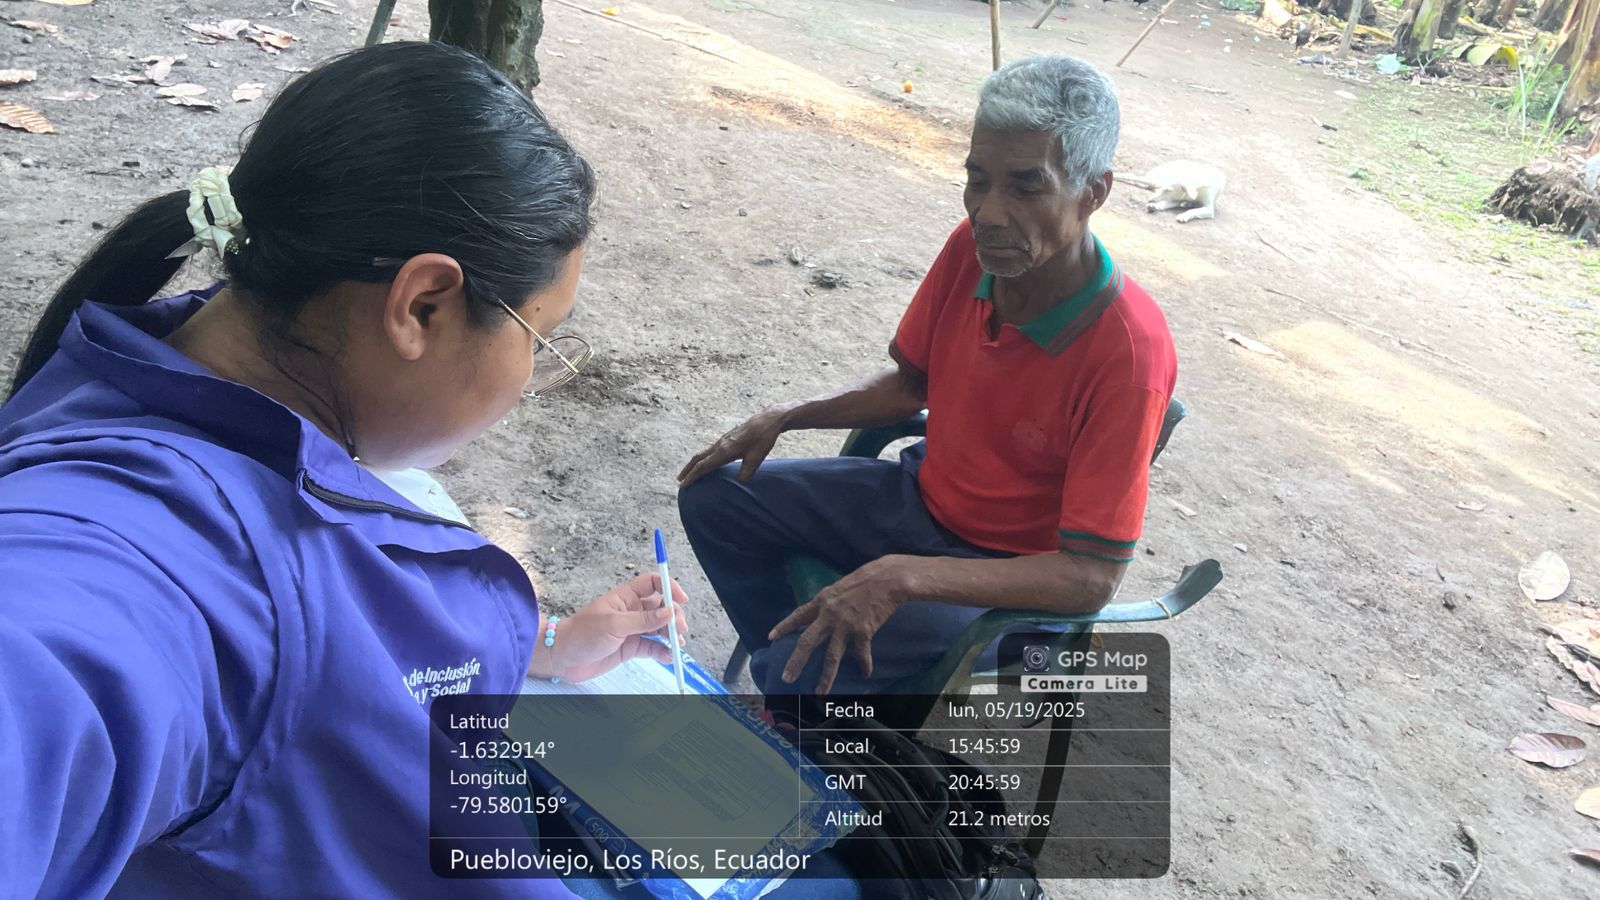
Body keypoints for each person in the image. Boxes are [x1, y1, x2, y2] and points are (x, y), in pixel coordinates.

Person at [0, 42, 708, 898]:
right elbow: (58, 656)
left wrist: (545, 645)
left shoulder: (189, 360)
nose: (532, 377)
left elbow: (359, 633)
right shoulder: (139, 562)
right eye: (540, 338)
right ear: (422, 306)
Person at [677, 55, 1177, 697]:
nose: (989, 213)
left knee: (796, 677)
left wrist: (904, 576)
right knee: (714, 499)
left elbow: (1089, 577)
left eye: (1025, 187)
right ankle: (805, 678)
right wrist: (786, 417)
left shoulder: (1129, 355)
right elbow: (911, 386)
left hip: (1011, 577)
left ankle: (810, 695)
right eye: (978, 180)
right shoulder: (973, 251)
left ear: (1093, 193)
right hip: (920, 500)